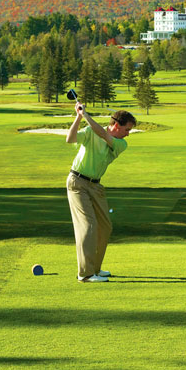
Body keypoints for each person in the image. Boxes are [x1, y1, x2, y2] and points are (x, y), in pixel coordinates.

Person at [65, 102, 136, 283]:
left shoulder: (121, 143)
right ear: (117, 125)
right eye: (127, 129)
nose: (128, 134)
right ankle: (85, 274)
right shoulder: (90, 132)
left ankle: (95, 269)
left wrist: (87, 116)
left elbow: (103, 134)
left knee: (105, 227)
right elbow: (70, 139)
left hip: (95, 186)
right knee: (88, 227)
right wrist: (79, 117)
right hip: (77, 182)